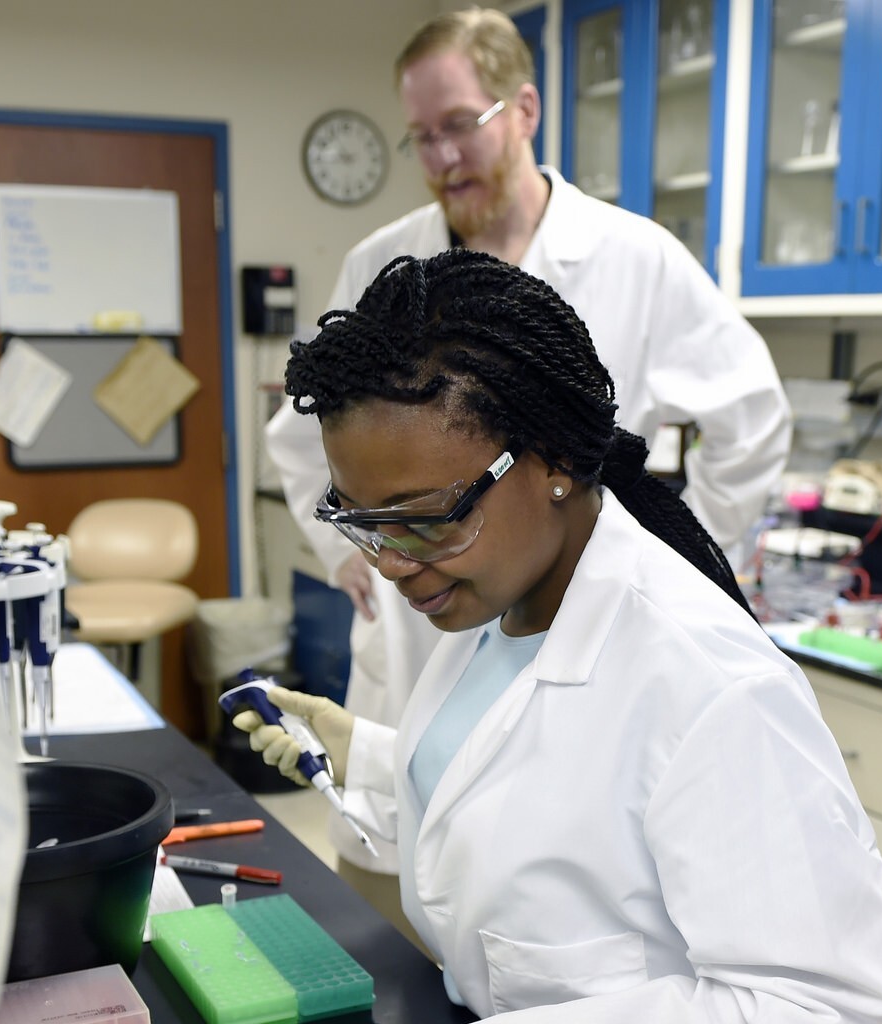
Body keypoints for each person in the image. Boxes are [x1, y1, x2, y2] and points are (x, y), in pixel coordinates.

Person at [237, 251, 882, 1022]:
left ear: (552, 462)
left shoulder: (716, 689)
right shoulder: (498, 597)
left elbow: (835, 1006)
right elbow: (549, 795)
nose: (392, 562)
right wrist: (383, 756)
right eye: (361, 520)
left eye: (423, 517)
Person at [263, 7, 792, 894]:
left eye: (458, 126)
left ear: (525, 108)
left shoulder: (636, 259)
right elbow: (299, 432)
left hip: (584, 639)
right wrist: (351, 550)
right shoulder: (384, 262)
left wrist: (676, 558)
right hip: (425, 640)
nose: (441, 159)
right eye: (421, 138)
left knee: (562, 887)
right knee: (406, 889)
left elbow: (752, 419)